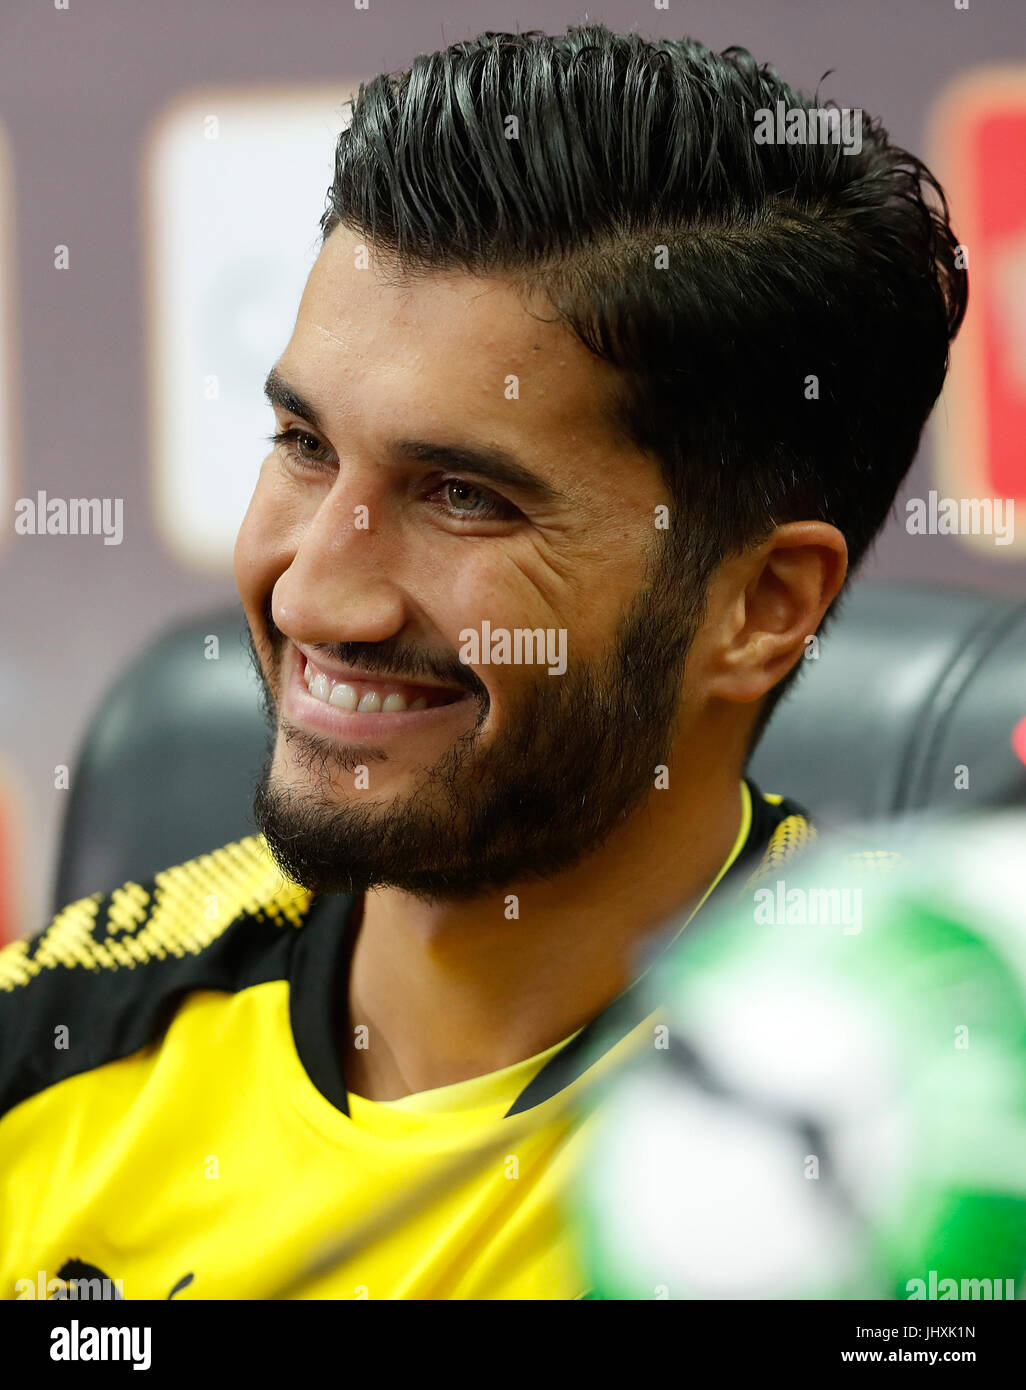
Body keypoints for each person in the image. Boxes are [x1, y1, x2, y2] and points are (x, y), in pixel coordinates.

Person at [0, 24, 965, 1300]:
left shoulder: (918, 1161)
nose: (312, 588)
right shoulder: (50, 1043)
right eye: (302, 443)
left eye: (463, 496)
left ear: (761, 605)